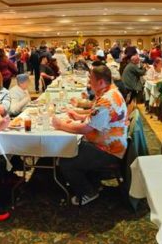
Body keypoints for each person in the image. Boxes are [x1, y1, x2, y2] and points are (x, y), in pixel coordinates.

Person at [53, 65, 128, 205]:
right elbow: (96, 114)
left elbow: (85, 129)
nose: (89, 83)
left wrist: (60, 125)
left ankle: (88, 191)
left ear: (100, 82)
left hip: (110, 151)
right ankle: (93, 184)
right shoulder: (111, 92)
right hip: (109, 144)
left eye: (91, 80)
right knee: (71, 148)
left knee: (66, 159)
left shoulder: (107, 100)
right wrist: (77, 115)